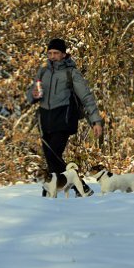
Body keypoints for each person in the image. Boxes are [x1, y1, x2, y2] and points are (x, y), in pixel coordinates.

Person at [27, 38, 103, 195]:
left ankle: (53, 191)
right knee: (51, 158)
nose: (52, 56)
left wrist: (96, 121)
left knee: (54, 154)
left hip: (64, 119)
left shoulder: (71, 73)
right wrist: (33, 95)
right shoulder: (43, 72)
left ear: (63, 54)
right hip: (45, 120)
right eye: (50, 53)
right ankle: (78, 188)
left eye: (56, 53)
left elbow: (86, 97)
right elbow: (31, 95)